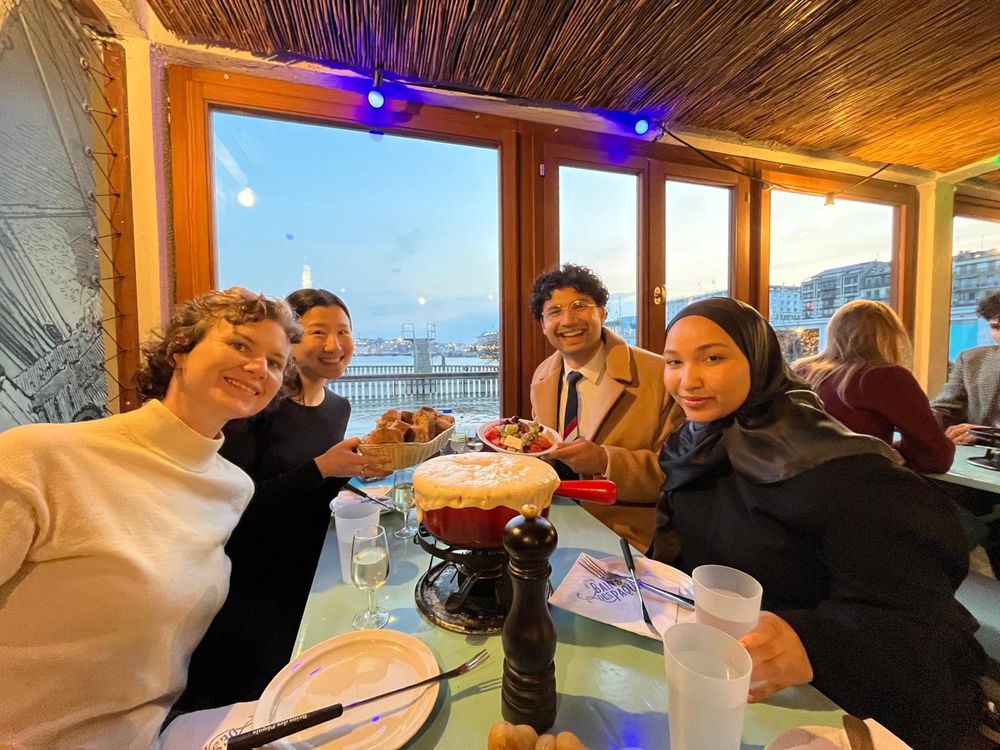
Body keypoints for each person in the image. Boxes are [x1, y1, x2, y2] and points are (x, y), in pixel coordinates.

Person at [652, 297, 988, 750]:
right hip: (736, 687)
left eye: (712, 358)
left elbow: (934, 639)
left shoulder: (838, 470)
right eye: (674, 362)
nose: (687, 380)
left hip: (847, 708)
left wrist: (813, 643)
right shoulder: (691, 447)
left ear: (758, 358)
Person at [0, 288, 299, 748]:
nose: (259, 368)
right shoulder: (37, 458)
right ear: (180, 350)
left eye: (275, 363)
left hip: (158, 733)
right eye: (240, 345)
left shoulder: (233, 487)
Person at [175, 288, 390, 711]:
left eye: (344, 332)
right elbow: (233, 511)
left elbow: (315, 494)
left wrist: (354, 473)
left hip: (317, 572)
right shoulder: (253, 410)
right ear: (291, 340)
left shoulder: (338, 408)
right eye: (317, 332)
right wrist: (323, 468)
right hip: (254, 590)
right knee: (260, 707)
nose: (334, 345)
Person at [528, 264, 671, 551]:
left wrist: (606, 461)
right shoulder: (543, 376)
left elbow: (677, 474)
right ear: (543, 325)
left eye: (580, 306)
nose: (568, 320)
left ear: (602, 312)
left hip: (626, 538)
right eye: (554, 312)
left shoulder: (658, 374)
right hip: (552, 527)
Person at [794, 299, 954, 473]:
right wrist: (890, 448)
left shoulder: (802, 371)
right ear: (889, 337)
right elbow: (936, 457)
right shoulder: (885, 376)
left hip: (796, 487)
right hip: (857, 486)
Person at [932, 290, 1000, 445]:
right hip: (975, 460)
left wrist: (987, 434)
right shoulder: (971, 360)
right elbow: (943, 409)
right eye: (996, 327)